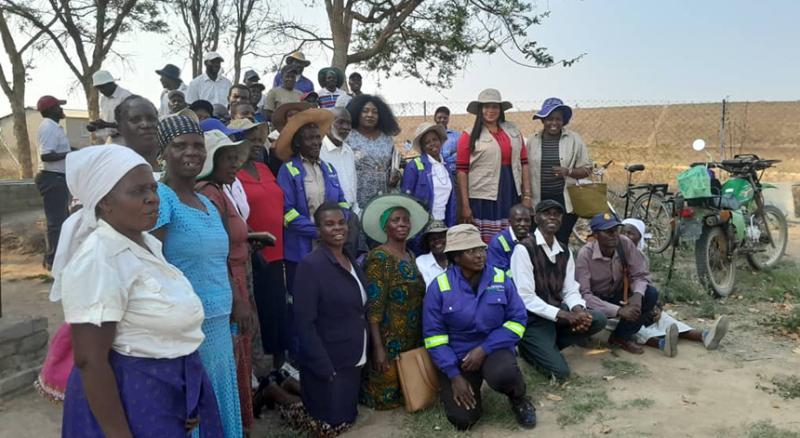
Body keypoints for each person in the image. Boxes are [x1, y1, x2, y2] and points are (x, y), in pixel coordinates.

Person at [52, 145, 222, 437]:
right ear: (105, 201)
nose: (152, 199)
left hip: (162, 391)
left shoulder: (146, 243)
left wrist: (183, 392)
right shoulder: (100, 258)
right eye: (138, 191)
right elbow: (90, 360)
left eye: (153, 189)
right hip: (130, 398)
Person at [152, 114, 243, 437]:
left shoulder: (206, 201)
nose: (191, 152)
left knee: (218, 405)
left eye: (197, 145)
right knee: (193, 413)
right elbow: (152, 266)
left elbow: (221, 261)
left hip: (218, 324)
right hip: (186, 329)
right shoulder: (162, 200)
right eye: (180, 146)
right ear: (163, 152)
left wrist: (237, 309)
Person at [423, 224, 536, 431]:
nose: (479, 255)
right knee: (463, 420)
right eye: (471, 251)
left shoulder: (501, 279)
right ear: (456, 257)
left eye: (481, 249)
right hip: (460, 359)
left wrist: (484, 349)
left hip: (494, 348)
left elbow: (518, 320)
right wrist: (453, 374)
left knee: (505, 374)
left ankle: (518, 398)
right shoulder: (439, 287)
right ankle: (461, 391)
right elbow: (434, 337)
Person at [283, 203, 367, 437]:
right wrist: (324, 367)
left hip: (353, 357)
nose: (338, 228)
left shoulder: (351, 260)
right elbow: (304, 323)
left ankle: (291, 386)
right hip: (328, 362)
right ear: (318, 230)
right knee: (330, 425)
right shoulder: (311, 266)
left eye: (341, 223)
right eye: (329, 224)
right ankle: (277, 393)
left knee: (348, 418)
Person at [193, 129, 257, 434]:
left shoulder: (222, 190)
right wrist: (238, 300)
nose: (235, 165)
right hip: (228, 283)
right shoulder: (209, 194)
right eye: (228, 159)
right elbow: (216, 249)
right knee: (231, 356)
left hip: (238, 277)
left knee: (239, 355)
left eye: (236, 159)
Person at [511, 200, 607, 379]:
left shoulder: (564, 251)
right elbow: (526, 298)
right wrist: (566, 315)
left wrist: (578, 310)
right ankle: (529, 348)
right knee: (560, 373)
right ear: (536, 218)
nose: (553, 217)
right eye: (547, 213)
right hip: (532, 319)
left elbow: (570, 289)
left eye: (557, 213)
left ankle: (547, 347)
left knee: (597, 319)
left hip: (555, 315)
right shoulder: (524, 249)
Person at [620, 219, 729, 356]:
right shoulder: (615, 255)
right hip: (623, 306)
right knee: (637, 329)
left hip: (642, 304)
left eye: (631, 233)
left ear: (640, 238)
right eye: (623, 232)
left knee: (665, 320)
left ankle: (705, 335)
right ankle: (662, 344)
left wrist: (656, 306)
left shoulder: (642, 258)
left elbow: (646, 286)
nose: (625, 236)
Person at [359, 194, 428, 409]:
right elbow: (374, 307)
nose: (402, 224)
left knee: (414, 388)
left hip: (412, 339)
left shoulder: (410, 256)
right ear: (385, 227)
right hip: (389, 343)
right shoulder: (379, 258)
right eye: (395, 220)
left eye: (406, 220)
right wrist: (378, 348)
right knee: (386, 398)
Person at [275, 109, 348, 288]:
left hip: (330, 245)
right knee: (303, 297)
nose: (316, 142)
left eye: (318, 137)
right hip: (301, 248)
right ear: (298, 143)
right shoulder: (288, 169)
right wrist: (317, 232)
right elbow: (287, 211)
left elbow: (342, 202)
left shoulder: (329, 168)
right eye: (309, 139)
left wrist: (338, 226)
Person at [575, 212, 657, 355]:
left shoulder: (624, 243)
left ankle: (621, 336)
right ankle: (583, 334)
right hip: (595, 300)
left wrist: (637, 296)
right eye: (608, 232)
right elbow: (584, 295)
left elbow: (640, 274)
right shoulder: (585, 255)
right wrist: (618, 311)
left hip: (618, 294)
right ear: (595, 235)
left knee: (650, 293)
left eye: (616, 230)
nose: (614, 235)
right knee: (585, 314)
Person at [456, 89, 532, 242]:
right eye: (486, 107)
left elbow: (524, 163)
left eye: (495, 107)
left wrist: (527, 195)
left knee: (512, 234)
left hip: (509, 190)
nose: (490, 111)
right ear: (480, 110)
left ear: (500, 110)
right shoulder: (469, 135)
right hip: (482, 196)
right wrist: (465, 205)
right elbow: (462, 171)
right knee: (485, 239)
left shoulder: (513, 131)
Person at [526, 98, 592, 244]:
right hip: (539, 200)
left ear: (564, 121)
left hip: (565, 201)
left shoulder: (574, 139)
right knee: (537, 240)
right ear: (543, 120)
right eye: (549, 119)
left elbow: (587, 169)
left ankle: (561, 266)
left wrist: (568, 171)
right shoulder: (532, 141)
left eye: (558, 119)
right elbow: (524, 169)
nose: (554, 123)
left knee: (561, 240)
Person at [34, 95, 71, 270]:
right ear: (50, 110)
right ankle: (52, 261)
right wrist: (69, 155)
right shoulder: (49, 128)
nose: (61, 109)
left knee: (62, 220)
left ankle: (56, 259)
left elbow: (60, 151)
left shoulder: (54, 127)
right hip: (51, 177)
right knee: (56, 223)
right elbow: (46, 155)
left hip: (57, 178)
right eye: (58, 106)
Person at [345, 94, 401, 209]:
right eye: (365, 111)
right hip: (358, 196)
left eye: (375, 112)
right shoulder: (348, 137)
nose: (370, 115)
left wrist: (395, 175)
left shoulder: (386, 138)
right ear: (357, 112)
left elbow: (392, 164)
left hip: (385, 194)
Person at [401, 122, 456, 227]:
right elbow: (406, 199)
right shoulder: (414, 166)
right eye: (427, 142)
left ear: (440, 141)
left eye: (435, 139)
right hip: (422, 225)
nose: (432, 144)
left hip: (444, 223)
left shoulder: (446, 166)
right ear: (422, 147)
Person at [319, 108, 357, 213]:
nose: (346, 127)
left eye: (349, 123)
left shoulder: (348, 151)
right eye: (340, 122)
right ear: (327, 124)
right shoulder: (319, 151)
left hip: (351, 212)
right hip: (329, 215)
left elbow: (352, 184)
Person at [113, 95, 160, 169]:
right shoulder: (114, 170)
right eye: (135, 120)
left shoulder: (175, 163)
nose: (146, 125)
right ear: (120, 128)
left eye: (151, 119)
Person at [88, 70, 132, 143]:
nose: (101, 91)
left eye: (102, 87)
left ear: (110, 83)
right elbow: (105, 121)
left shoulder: (126, 97)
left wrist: (106, 124)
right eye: (98, 88)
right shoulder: (104, 99)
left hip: (127, 140)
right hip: (111, 140)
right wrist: (96, 126)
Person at [486, 204, 532, 272]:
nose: (523, 224)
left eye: (527, 220)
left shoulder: (534, 240)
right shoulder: (498, 241)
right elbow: (497, 271)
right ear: (510, 222)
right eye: (518, 220)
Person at [415, 222, 449, 287]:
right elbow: (428, 288)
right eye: (433, 239)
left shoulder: (456, 259)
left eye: (441, 237)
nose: (437, 241)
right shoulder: (421, 262)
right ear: (427, 242)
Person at [434, 106, 461, 176]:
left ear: (448, 119)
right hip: (435, 173)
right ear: (435, 118)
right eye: (439, 118)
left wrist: (448, 160)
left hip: (452, 172)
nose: (442, 120)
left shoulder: (456, 136)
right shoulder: (429, 135)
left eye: (445, 118)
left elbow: (461, 153)